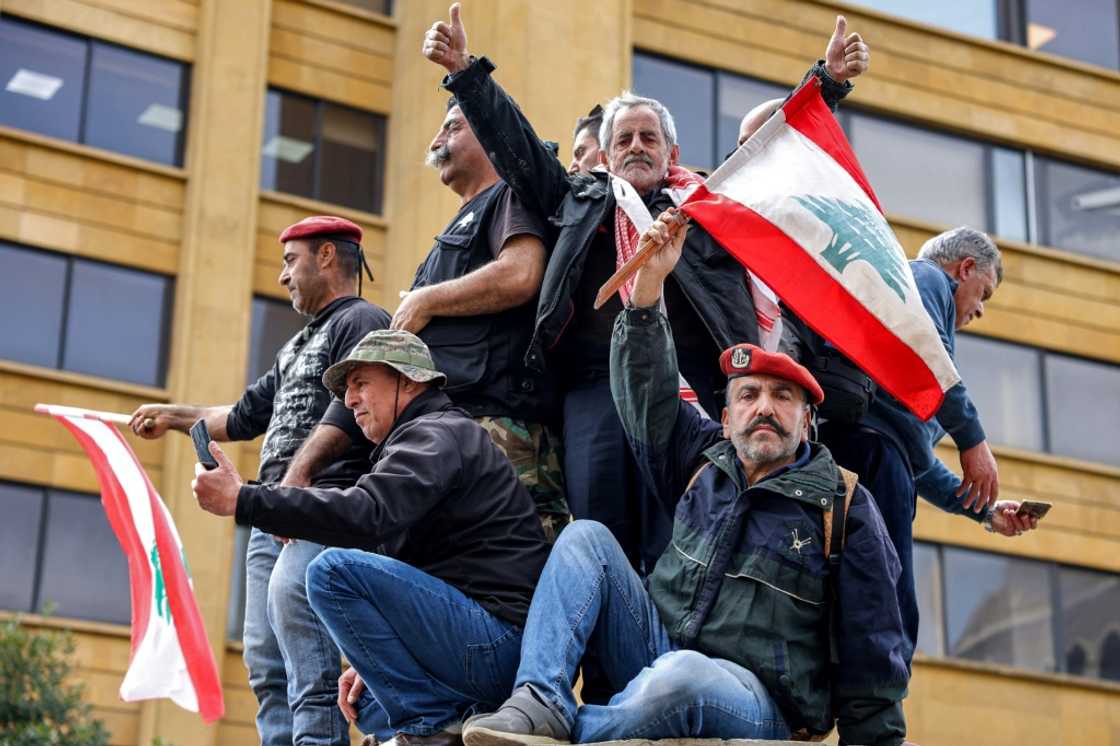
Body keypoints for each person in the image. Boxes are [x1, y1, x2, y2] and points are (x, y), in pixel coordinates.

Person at [423, 5, 867, 573]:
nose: (637, 146)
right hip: (593, 396)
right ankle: (611, 665)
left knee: (682, 544)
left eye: (649, 137)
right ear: (605, 155)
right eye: (625, 138)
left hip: (691, 397)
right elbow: (517, 144)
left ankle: (673, 665)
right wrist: (465, 71)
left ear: (671, 154)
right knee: (599, 548)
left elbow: (770, 152)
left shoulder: (711, 204)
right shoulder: (574, 199)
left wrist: (825, 82)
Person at [462, 209, 912, 746]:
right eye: (748, 395)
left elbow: (873, 648)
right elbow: (649, 389)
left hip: (760, 705)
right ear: (725, 418)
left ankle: (572, 736)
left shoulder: (844, 506)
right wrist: (649, 288)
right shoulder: (703, 460)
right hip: (656, 651)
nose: (763, 407)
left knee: (684, 679)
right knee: (586, 538)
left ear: (807, 421)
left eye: (782, 397)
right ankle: (539, 702)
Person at [191, 330, 550, 746]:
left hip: (495, 645)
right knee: (365, 700)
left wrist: (245, 499)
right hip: (469, 641)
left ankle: (425, 730)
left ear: (409, 380)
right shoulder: (415, 444)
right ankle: (448, 725)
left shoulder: (437, 433)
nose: (349, 401)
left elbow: (367, 513)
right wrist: (374, 661)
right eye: (346, 390)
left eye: (361, 384)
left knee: (330, 571)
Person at [129, 216, 391, 746]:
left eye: (290, 262)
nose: (281, 277)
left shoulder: (362, 320)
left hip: (322, 510)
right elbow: (244, 417)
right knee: (266, 662)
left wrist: (297, 482)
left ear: (324, 256)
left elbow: (349, 409)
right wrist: (173, 415)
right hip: (273, 514)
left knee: (306, 654)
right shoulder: (294, 347)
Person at [809, 226, 1040, 670]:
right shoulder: (928, 278)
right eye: (984, 293)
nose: (980, 310)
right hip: (870, 452)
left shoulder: (927, 356)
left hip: (884, 459)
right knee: (886, 602)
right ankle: (877, 730)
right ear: (965, 268)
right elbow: (924, 343)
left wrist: (985, 512)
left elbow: (922, 467)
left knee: (883, 600)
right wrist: (972, 439)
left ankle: (868, 719)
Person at [391, 96, 567, 541]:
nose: (437, 141)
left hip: (498, 427)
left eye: (453, 128)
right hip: (453, 426)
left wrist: (426, 300)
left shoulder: (508, 194)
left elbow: (521, 273)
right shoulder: (459, 222)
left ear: (489, 135)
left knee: (509, 562)